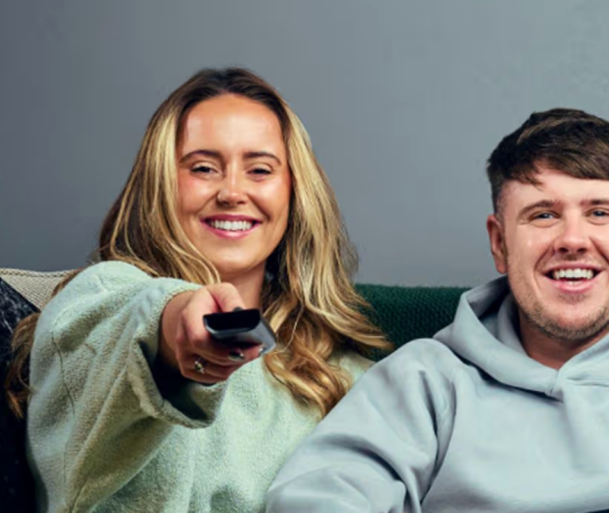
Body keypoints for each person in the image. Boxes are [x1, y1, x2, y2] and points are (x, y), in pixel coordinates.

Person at [266, 108, 609, 512]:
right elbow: (316, 498)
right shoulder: (423, 384)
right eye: (543, 215)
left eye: (599, 213)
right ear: (500, 242)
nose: (573, 240)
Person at [5, 67, 388, 512]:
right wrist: (176, 325)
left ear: (293, 191)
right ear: (161, 184)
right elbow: (130, 320)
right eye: (203, 168)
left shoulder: (346, 379)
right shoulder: (97, 298)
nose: (231, 192)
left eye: (259, 169)